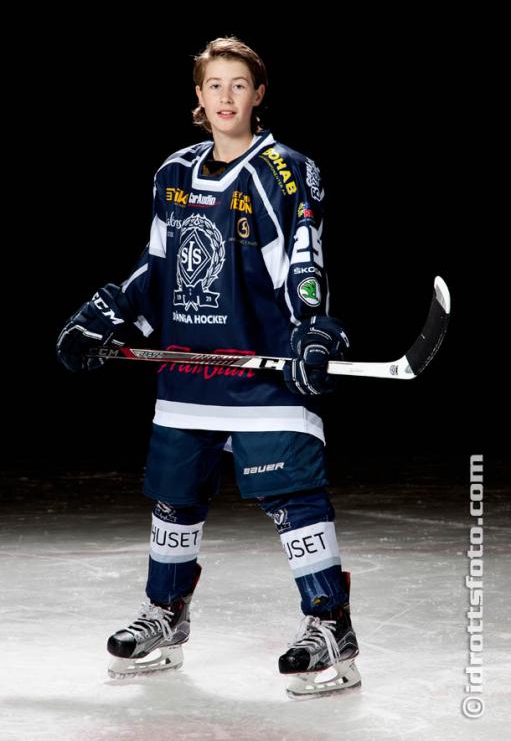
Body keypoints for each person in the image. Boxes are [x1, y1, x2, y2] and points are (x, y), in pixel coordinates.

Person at [56, 36, 361, 699]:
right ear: (198, 95)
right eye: (214, 84)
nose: (226, 97)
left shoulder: (285, 170)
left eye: (238, 85)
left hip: (263, 367)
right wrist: (106, 315)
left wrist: (311, 330)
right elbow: (157, 266)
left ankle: (329, 625)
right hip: (189, 370)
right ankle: (165, 615)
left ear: (258, 94)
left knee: (292, 497)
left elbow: (303, 259)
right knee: (176, 498)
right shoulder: (173, 172)